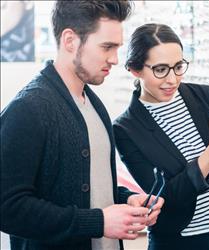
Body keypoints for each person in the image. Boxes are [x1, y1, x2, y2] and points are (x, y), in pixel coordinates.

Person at [0, 2, 164, 250]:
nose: (115, 59)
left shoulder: (93, 103)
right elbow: (8, 207)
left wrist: (126, 199)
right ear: (70, 41)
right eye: (107, 47)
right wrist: (98, 222)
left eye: (117, 47)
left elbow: (85, 185)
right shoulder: (28, 109)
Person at [113, 23, 209, 250]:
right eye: (160, 69)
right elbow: (168, 198)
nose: (172, 79)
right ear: (134, 70)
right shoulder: (126, 128)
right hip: (179, 242)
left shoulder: (205, 95)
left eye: (178, 67)